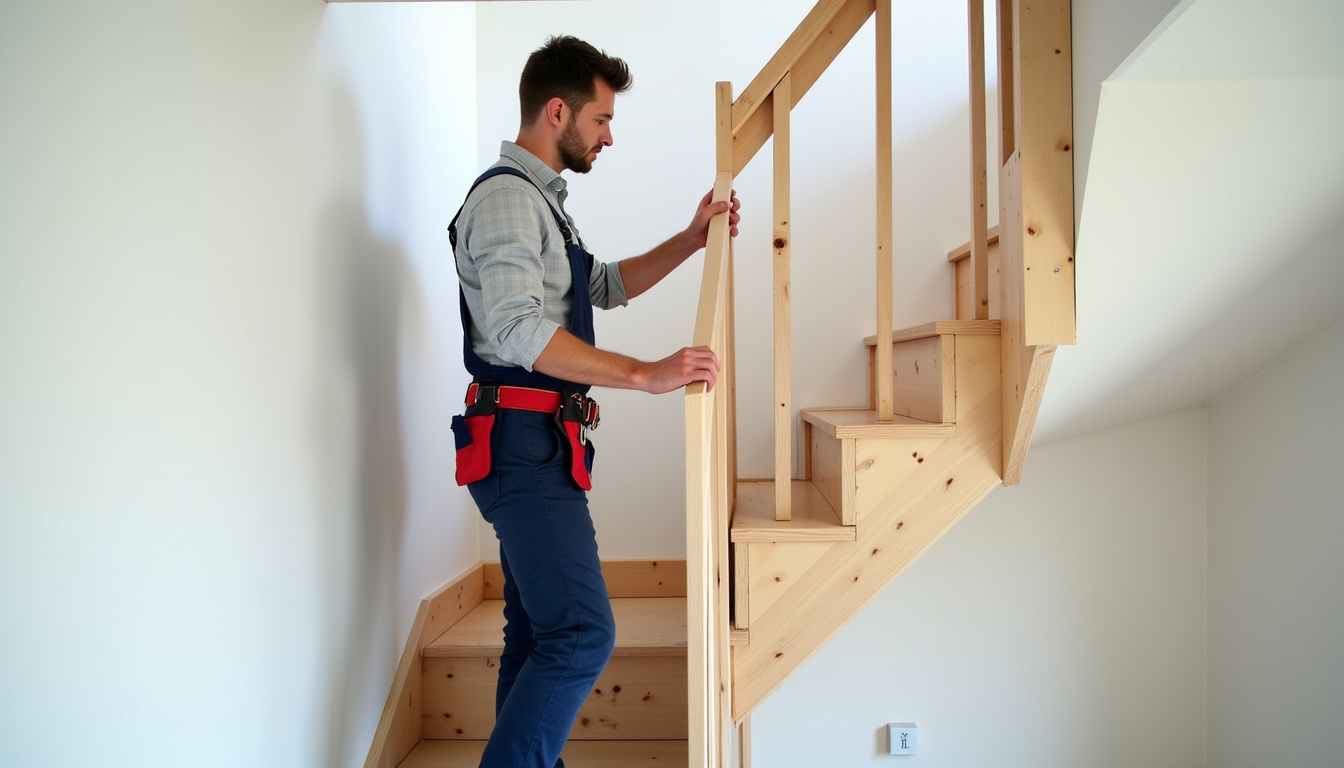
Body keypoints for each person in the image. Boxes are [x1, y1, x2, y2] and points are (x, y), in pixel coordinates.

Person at [448, 35, 740, 768]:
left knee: (539, 635)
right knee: (582, 633)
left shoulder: (543, 204)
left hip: (537, 444)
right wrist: (645, 373)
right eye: (602, 119)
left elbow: (600, 285)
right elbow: (518, 329)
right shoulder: (509, 201)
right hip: (522, 446)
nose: (609, 135)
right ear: (557, 111)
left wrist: (690, 239)